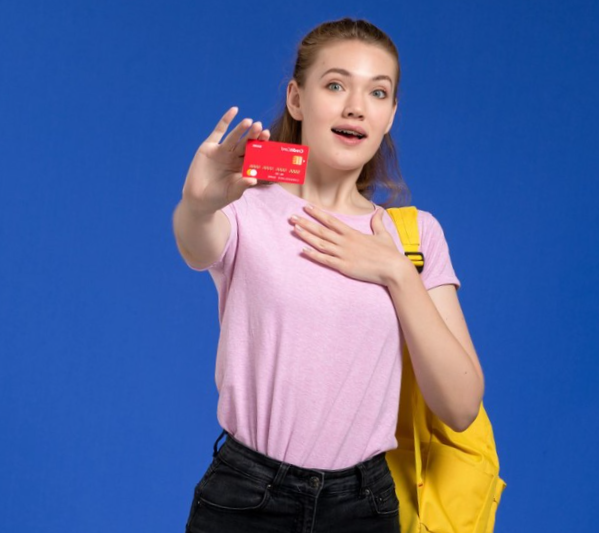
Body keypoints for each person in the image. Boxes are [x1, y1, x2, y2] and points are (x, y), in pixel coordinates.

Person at [173, 18, 484, 533]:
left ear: (390, 115)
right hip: (247, 498)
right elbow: (193, 242)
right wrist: (197, 203)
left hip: (364, 506)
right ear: (297, 99)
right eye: (336, 85)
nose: (356, 106)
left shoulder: (413, 236)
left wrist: (396, 274)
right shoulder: (247, 206)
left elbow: (460, 406)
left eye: (377, 92)